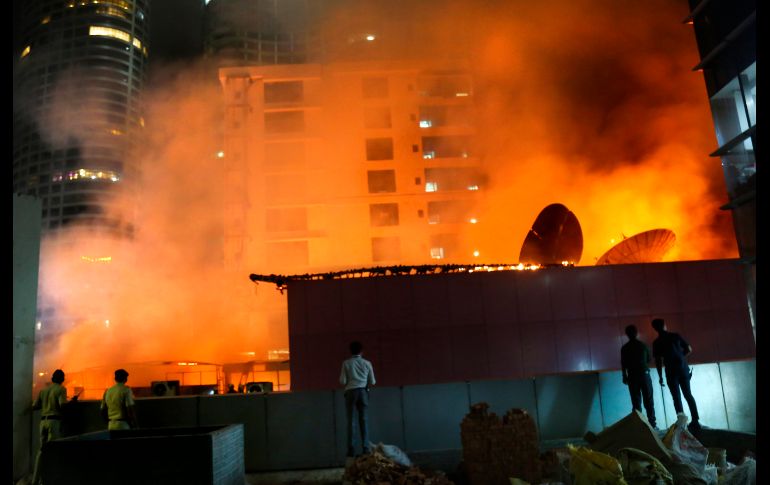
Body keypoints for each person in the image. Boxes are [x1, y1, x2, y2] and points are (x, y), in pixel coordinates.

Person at [651, 318, 701, 431]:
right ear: (664, 325)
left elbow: (658, 361)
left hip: (671, 372)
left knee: (676, 398)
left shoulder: (657, 342)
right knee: (688, 395)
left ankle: (682, 424)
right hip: (683, 369)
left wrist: (660, 376)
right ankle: (695, 420)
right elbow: (688, 349)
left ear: (655, 328)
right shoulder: (675, 336)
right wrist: (681, 357)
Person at [31, 369, 78, 485]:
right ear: (62, 379)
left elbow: (35, 406)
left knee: (41, 452)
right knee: (52, 451)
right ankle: (47, 480)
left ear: (52, 378)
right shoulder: (61, 389)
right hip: (54, 422)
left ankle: (35, 481)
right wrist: (72, 402)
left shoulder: (43, 390)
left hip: (43, 422)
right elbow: (62, 405)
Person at [339, 341, 376, 457]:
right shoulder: (367, 363)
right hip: (363, 392)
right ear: (362, 351)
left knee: (351, 421)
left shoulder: (346, 363)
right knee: (364, 420)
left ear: (350, 351)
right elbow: (373, 381)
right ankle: (365, 448)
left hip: (350, 392)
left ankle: (351, 449)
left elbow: (342, 381)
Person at [621, 324, 657, 429]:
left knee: (636, 402)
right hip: (644, 374)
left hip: (632, 376)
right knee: (649, 400)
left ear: (627, 334)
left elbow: (623, 364)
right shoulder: (643, 345)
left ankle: (639, 425)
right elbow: (649, 360)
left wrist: (624, 376)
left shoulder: (625, 348)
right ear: (636, 333)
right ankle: (652, 424)